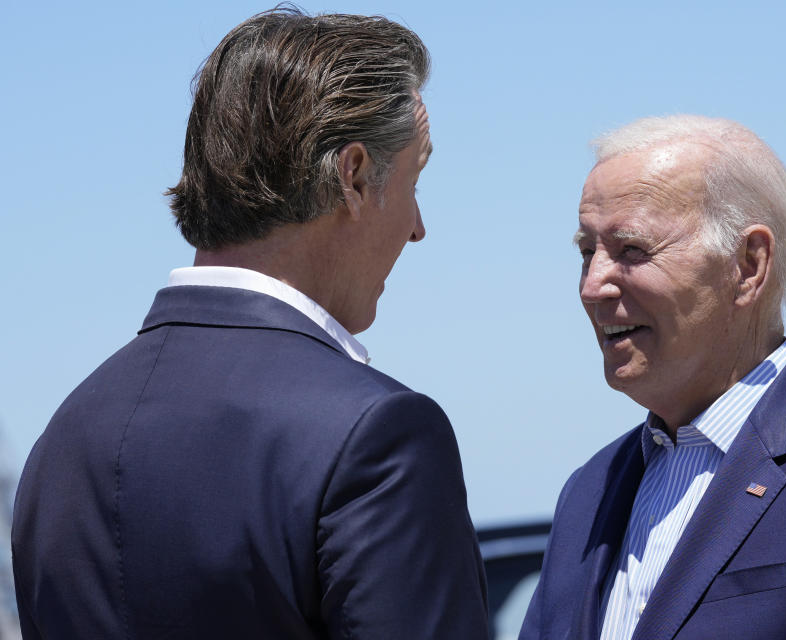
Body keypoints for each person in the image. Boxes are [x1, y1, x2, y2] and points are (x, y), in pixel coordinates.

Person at [12, 8, 488, 638]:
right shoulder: (376, 435)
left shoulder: (66, 436)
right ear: (352, 175)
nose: (417, 227)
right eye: (414, 180)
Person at [520, 115, 786, 639]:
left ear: (748, 265)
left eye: (632, 250)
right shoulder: (589, 489)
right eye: (587, 252)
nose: (593, 287)